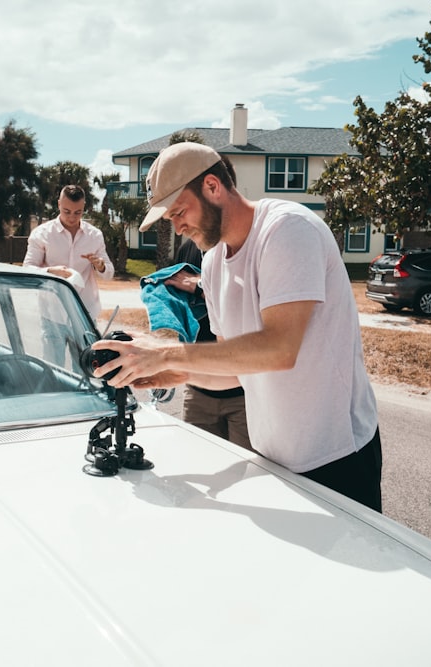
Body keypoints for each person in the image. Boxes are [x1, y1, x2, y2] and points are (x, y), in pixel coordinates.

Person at [92, 142, 382, 512]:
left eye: (179, 211)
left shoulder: (287, 229)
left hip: (337, 457)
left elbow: (279, 349)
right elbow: (239, 371)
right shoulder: (212, 264)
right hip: (271, 458)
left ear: (213, 187)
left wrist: (163, 352)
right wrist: (175, 371)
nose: (177, 226)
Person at [163, 237, 251, 450]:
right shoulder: (186, 250)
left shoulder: (244, 248)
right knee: (199, 461)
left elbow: (249, 298)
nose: (180, 224)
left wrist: (201, 286)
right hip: (197, 393)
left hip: (245, 394)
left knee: (251, 472)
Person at [24, 185, 114, 363]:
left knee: (85, 371)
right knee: (52, 369)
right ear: (58, 204)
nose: (72, 217)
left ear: (84, 207)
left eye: (78, 212)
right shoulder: (41, 234)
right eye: (67, 211)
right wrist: (50, 271)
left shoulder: (95, 236)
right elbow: (27, 268)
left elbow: (108, 274)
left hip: (84, 314)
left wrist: (101, 266)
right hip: (52, 313)